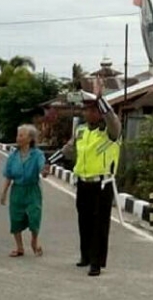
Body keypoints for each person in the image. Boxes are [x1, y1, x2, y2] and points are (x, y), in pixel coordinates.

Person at [57, 77, 121, 276]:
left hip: (101, 183)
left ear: (99, 112)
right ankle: (85, 256)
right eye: (86, 110)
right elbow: (68, 149)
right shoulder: (82, 130)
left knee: (99, 225)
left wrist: (101, 99)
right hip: (83, 182)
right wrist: (49, 162)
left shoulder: (110, 131)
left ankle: (96, 262)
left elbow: (112, 118)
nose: (88, 113)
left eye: (93, 110)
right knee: (83, 221)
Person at [1, 124, 49, 257]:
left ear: (30, 139)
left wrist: (44, 171)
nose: (18, 138)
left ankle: (34, 241)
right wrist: (4, 193)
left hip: (32, 190)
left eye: (22, 135)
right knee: (15, 218)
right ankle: (19, 247)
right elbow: (8, 176)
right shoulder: (13, 156)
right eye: (18, 135)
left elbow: (41, 168)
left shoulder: (37, 154)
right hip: (17, 190)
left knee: (34, 216)